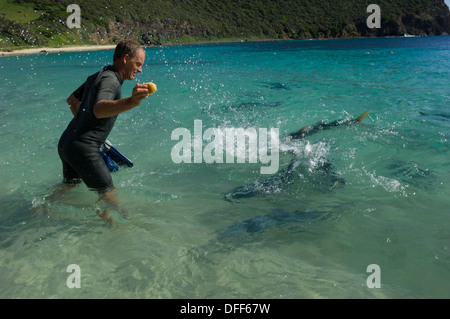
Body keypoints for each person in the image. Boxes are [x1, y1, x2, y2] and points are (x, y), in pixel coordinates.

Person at [55, 40, 150, 224]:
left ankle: (39, 211)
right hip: (84, 149)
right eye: (138, 64)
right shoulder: (111, 80)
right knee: (109, 196)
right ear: (126, 58)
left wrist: (86, 127)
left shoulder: (98, 75)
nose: (140, 70)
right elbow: (99, 109)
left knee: (69, 187)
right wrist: (131, 101)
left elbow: (72, 100)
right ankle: (119, 234)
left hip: (67, 143)